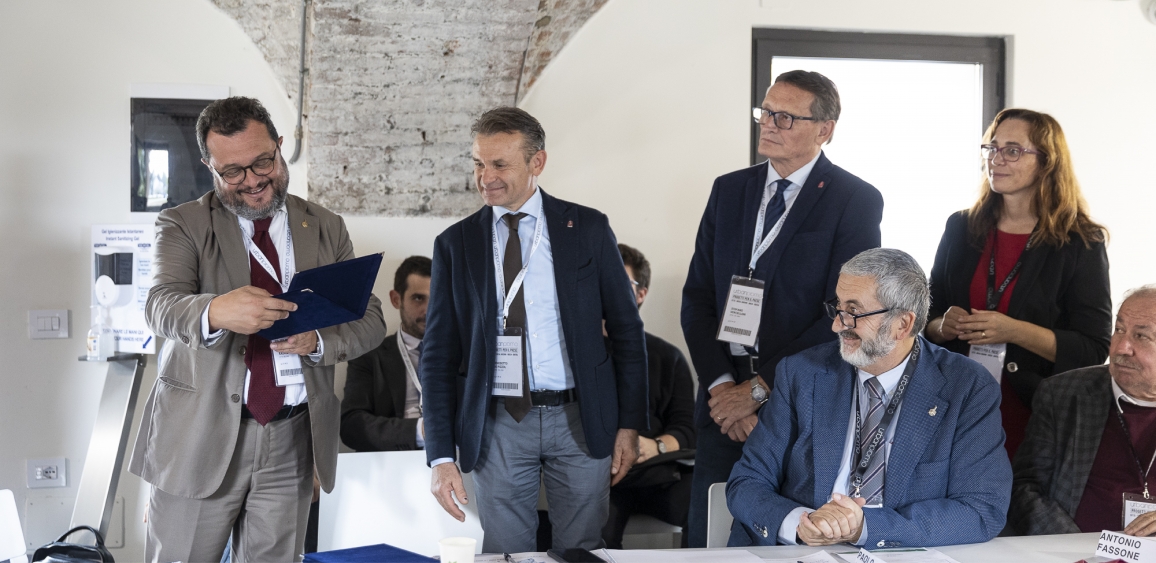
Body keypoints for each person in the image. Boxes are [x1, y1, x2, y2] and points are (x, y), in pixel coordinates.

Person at [128, 96, 386, 563]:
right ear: (209, 167)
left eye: (263, 162)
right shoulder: (183, 223)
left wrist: (319, 341)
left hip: (291, 440)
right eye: (232, 171)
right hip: (199, 437)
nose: (252, 180)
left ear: (280, 146)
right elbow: (160, 306)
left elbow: (369, 320)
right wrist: (215, 312)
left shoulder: (326, 227)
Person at [421, 107, 648, 554]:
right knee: (507, 553)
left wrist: (629, 425)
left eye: (499, 164)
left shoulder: (587, 228)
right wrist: (441, 456)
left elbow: (627, 331)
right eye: (478, 163)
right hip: (498, 423)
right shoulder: (455, 244)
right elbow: (438, 354)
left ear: (536, 162)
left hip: (580, 418)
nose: (485, 177)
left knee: (582, 550)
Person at [680, 69, 884, 547]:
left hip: (797, 401)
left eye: (786, 117)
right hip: (721, 405)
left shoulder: (854, 199)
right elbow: (698, 298)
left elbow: (841, 314)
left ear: (824, 129)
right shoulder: (729, 189)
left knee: (785, 538)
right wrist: (723, 390)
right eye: (766, 112)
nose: (769, 124)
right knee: (707, 539)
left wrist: (757, 391)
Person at [726, 248, 1011, 548]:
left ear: (903, 324)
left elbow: (982, 509)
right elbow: (747, 482)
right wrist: (800, 524)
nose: (837, 325)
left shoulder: (967, 387)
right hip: (802, 551)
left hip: (899, 552)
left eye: (853, 312)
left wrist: (865, 527)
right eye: (837, 307)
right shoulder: (801, 374)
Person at [925, 108, 1111, 459]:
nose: (996, 159)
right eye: (992, 148)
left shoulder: (1079, 242)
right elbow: (926, 315)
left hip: (1031, 412)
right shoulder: (960, 227)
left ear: (1046, 162)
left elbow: (1092, 347)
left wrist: (1013, 331)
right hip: (954, 405)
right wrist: (941, 325)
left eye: (1012, 150)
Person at [1010, 286, 1156, 536]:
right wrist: (1072, 545)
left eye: (1141, 336)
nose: (1121, 348)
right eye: (1119, 330)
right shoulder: (1063, 394)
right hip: (1071, 549)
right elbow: (1025, 488)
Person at [601, 243, 696, 549]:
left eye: (619, 283)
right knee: (597, 531)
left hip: (658, 474)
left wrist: (653, 446)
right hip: (602, 479)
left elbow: (687, 429)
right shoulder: (572, 357)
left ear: (641, 294)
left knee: (703, 510)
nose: (607, 292)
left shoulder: (668, 357)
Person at [341, 256, 432, 451]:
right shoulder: (369, 355)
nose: (428, 310)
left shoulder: (463, 355)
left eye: (436, 298)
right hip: (391, 460)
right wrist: (420, 431)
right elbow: (352, 426)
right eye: (418, 298)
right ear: (396, 299)